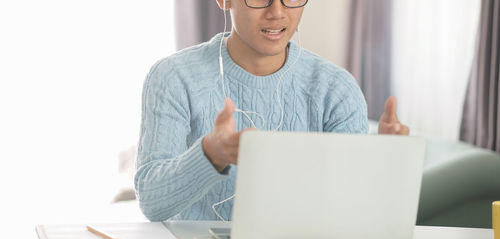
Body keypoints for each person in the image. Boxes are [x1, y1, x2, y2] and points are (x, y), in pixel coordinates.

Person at [134, 0, 409, 222]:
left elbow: (351, 213)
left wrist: (385, 166)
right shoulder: (173, 76)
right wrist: (210, 155)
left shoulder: (337, 89)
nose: (277, 12)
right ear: (223, 1)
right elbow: (152, 202)